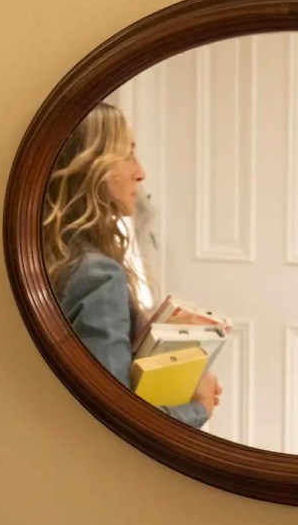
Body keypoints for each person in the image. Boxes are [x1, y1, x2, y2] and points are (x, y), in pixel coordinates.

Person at [42, 102, 220, 428]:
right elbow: (117, 421)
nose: (140, 172)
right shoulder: (98, 275)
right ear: (90, 166)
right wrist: (200, 407)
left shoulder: (49, 252)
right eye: (127, 154)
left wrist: (146, 332)